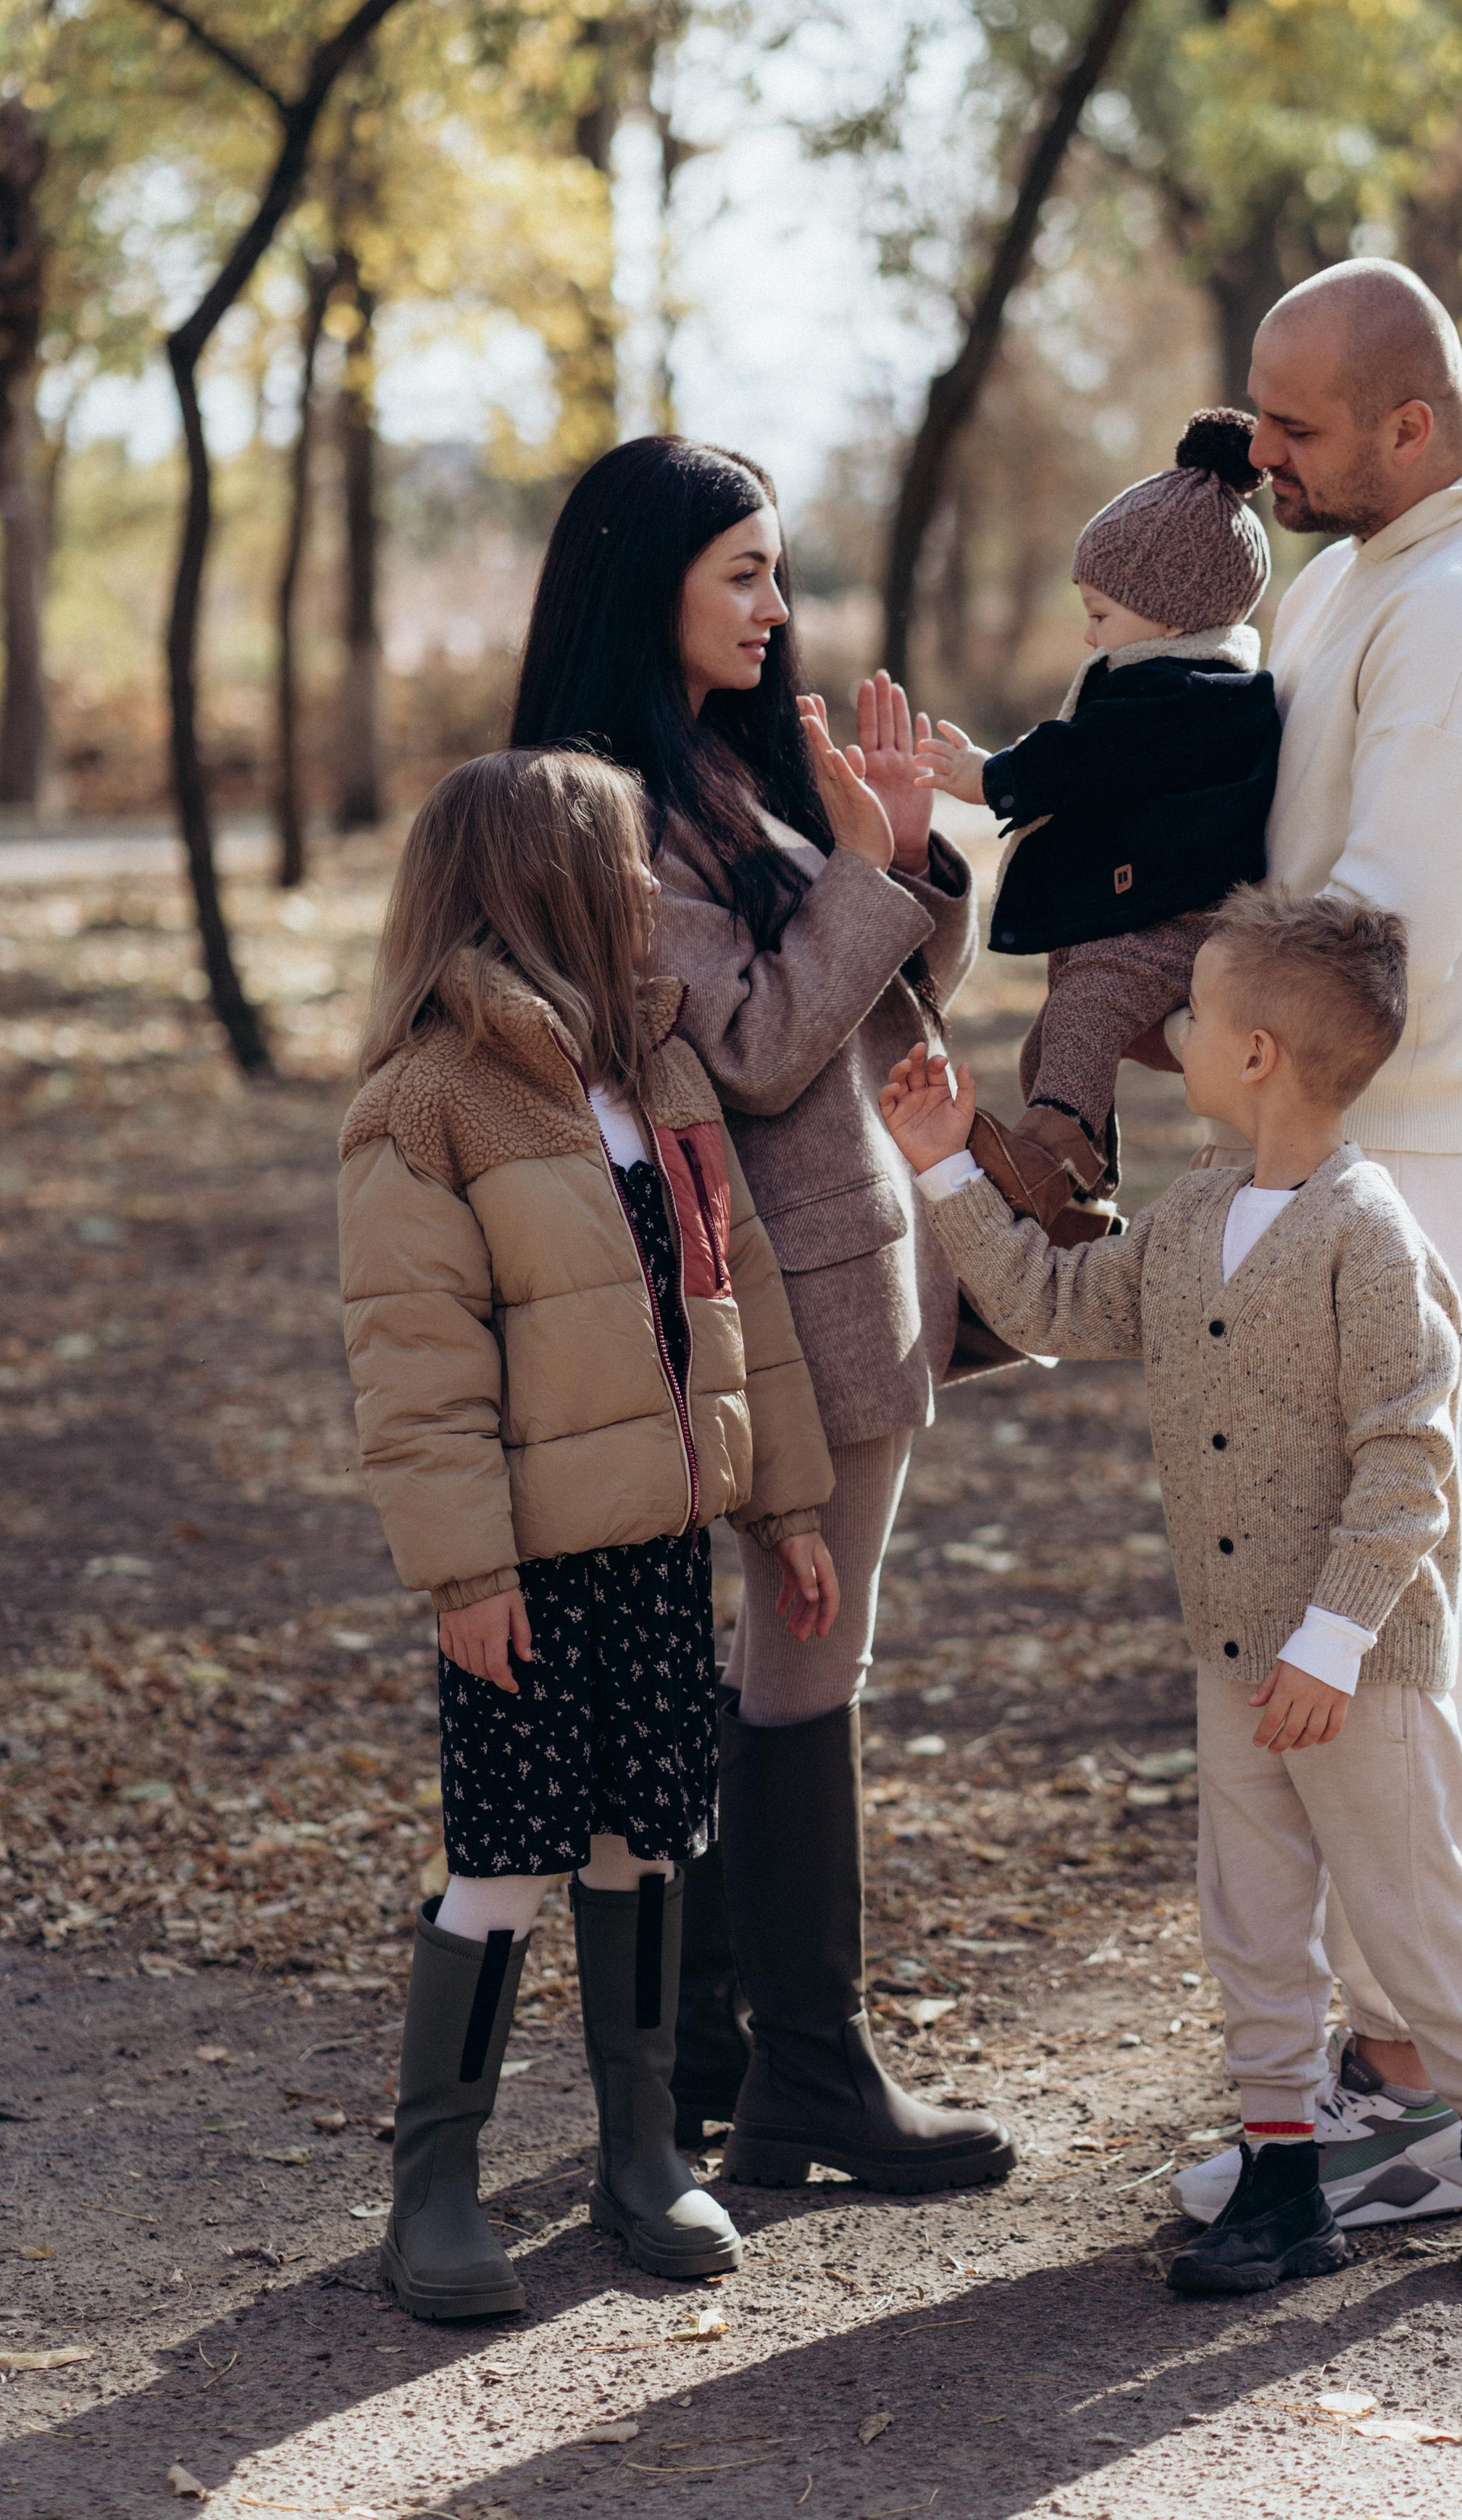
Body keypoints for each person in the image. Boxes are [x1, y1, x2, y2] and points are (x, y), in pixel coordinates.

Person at [882, 888, 1462, 2293]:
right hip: (1231, 1648)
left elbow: (1406, 1461)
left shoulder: (1366, 1234)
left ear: (1252, 1054)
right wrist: (947, 1166)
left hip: (1351, 1662)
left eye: (1190, 1008)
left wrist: (1331, 1641)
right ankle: (1275, 2184)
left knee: (1410, 1909)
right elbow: (1060, 1307)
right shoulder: (1195, 1211)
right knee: (1249, 1919)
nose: (1169, 1027)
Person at [1160, 261, 1462, 2232]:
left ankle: (1438, 2085)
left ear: (1413, 426)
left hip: (1393, 1153)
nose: (1259, 458)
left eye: (1300, 428)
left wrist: (1217, 1116)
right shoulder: (1368, 560)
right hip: (1315, 1136)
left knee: (1381, 1609)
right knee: (1421, 1593)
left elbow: (1373, 954)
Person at [508, 435, 1014, 2195]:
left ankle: (723, 2045)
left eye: (776, 571)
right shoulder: (607, 816)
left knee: (766, 1656)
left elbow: (869, 992)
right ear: (639, 581)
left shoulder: (717, 772)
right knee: (808, 1651)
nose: (773, 605)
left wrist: (904, 857)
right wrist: (865, 871)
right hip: (765, 1308)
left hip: (839, 1271)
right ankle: (812, 2067)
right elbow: (750, 1044)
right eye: (741, 572)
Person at [336, 750, 840, 2320]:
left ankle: (642, 2148)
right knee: (503, 1861)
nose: (644, 890)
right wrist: (465, 1571)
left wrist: (788, 1497)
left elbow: (737, 1286)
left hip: (658, 1547)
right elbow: (414, 1365)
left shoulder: (660, 1073)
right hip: (527, 1568)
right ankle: (435, 2185)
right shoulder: (426, 1101)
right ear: (538, 884)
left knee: (644, 1839)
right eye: (620, 867)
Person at [917, 409, 1278, 1241]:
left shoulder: (1187, 699)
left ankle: (1052, 1152)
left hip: (1169, 927)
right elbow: (1097, 755)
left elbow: (1086, 756)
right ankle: (1082, 1196)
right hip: (1141, 919)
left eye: (1101, 615)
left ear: (1172, 607)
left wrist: (990, 778)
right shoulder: (1178, 692)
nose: (1087, 634)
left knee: (1083, 1019)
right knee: (1049, 1046)